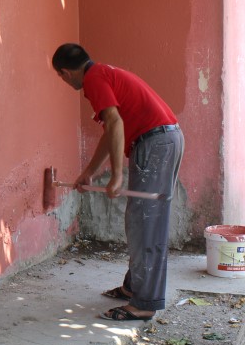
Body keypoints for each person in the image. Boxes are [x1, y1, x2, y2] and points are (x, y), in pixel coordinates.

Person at [52, 43, 184, 322]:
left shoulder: (94, 80)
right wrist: (89, 171)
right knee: (141, 220)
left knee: (146, 223)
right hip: (164, 139)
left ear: (65, 72)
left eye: (61, 78)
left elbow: (114, 123)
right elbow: (110, 127)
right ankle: (133, 287)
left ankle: (145, 303)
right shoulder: (103, 73)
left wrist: (117, 175)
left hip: (155, 143)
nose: (64, 82)